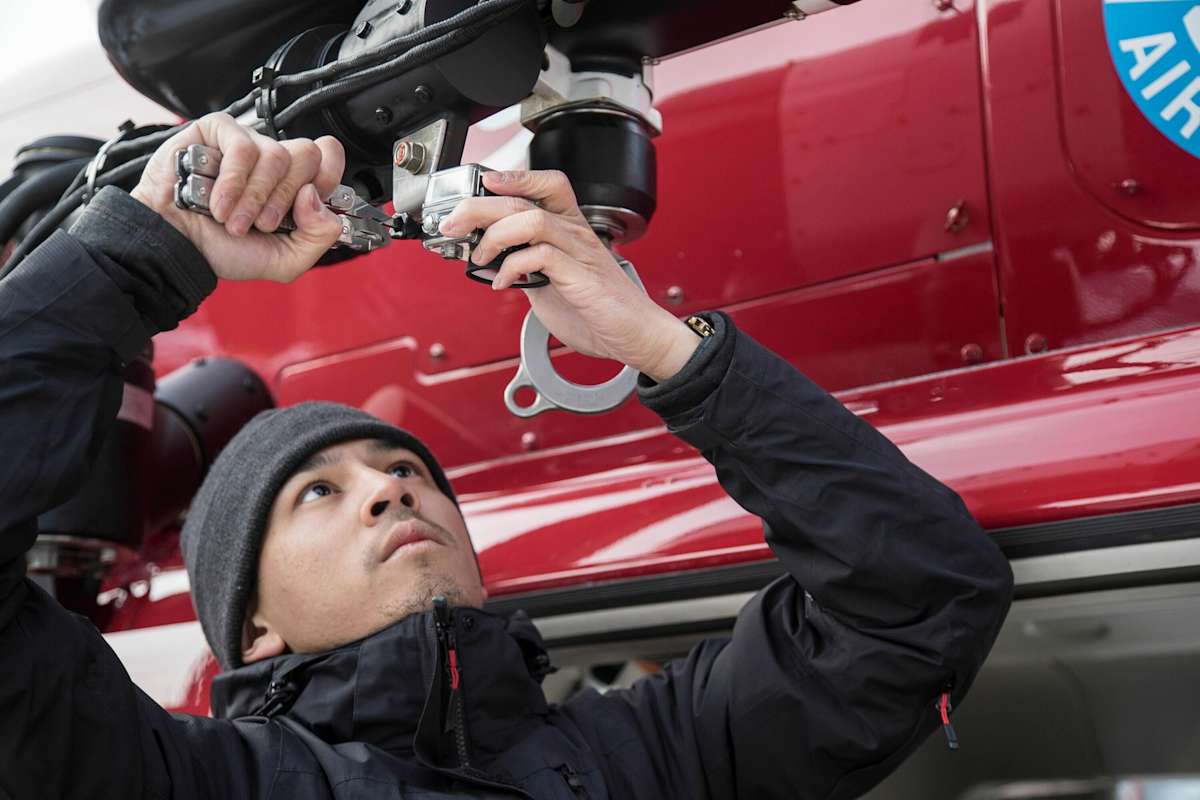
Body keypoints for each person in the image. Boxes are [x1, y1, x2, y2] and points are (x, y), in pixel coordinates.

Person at [0, 113, 1013, 800]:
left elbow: (917, 596)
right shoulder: (185, 779)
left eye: (409, 472)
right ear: (250, 623)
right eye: (318, 489)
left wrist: (658, 345)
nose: (391, 487)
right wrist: (141, 251)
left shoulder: (653, 757)